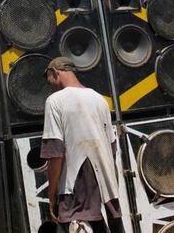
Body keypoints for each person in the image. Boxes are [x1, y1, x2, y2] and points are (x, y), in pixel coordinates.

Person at [40, 57, 124, 233]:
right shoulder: (100, 99)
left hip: (75, 186)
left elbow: (55, 152)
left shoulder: (55, 101)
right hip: (105, 184)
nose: (51, 86)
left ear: (55, 72)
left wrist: (52, 195)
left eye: (50, 81)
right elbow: (112, 148)